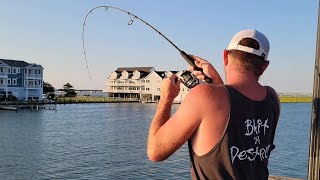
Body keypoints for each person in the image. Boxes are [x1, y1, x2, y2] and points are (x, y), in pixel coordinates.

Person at [147, 29, 280, 180]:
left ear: (225, 56)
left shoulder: (203, 96)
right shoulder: (273, 99)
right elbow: (234, 113)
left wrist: (166, 98)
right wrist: (217, 83)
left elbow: (155, 151)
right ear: (265, 66)